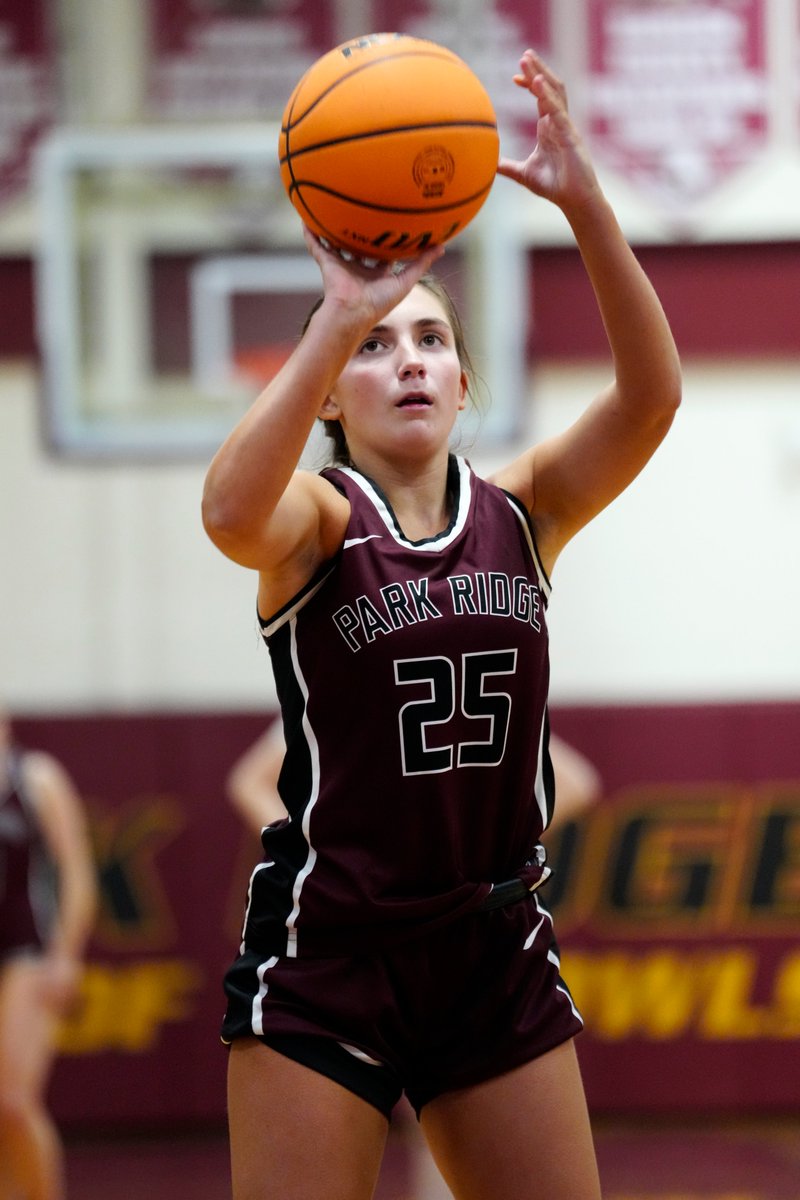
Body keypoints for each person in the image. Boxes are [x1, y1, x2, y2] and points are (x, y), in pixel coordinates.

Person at [202, 47, 680, 1200]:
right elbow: (229, 512)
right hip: (333, 951)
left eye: (428, 341)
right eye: (375, 348)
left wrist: (586, 206)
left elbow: (650, 396)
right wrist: (338, 311)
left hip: (492, 942)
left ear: (464, 380)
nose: (405, 359)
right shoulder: (319, 523)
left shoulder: (525, 511)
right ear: (327, 396)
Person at [0, 711, 98, 1200]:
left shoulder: (35, 778)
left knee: (13, 1102)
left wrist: (67, 954)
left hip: (27, 952)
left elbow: (77, 873)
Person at [227, 722, 600, 836]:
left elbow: (576, 784)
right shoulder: (350, 671)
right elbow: (249, 782)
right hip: (372, 909)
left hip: (451, 913)